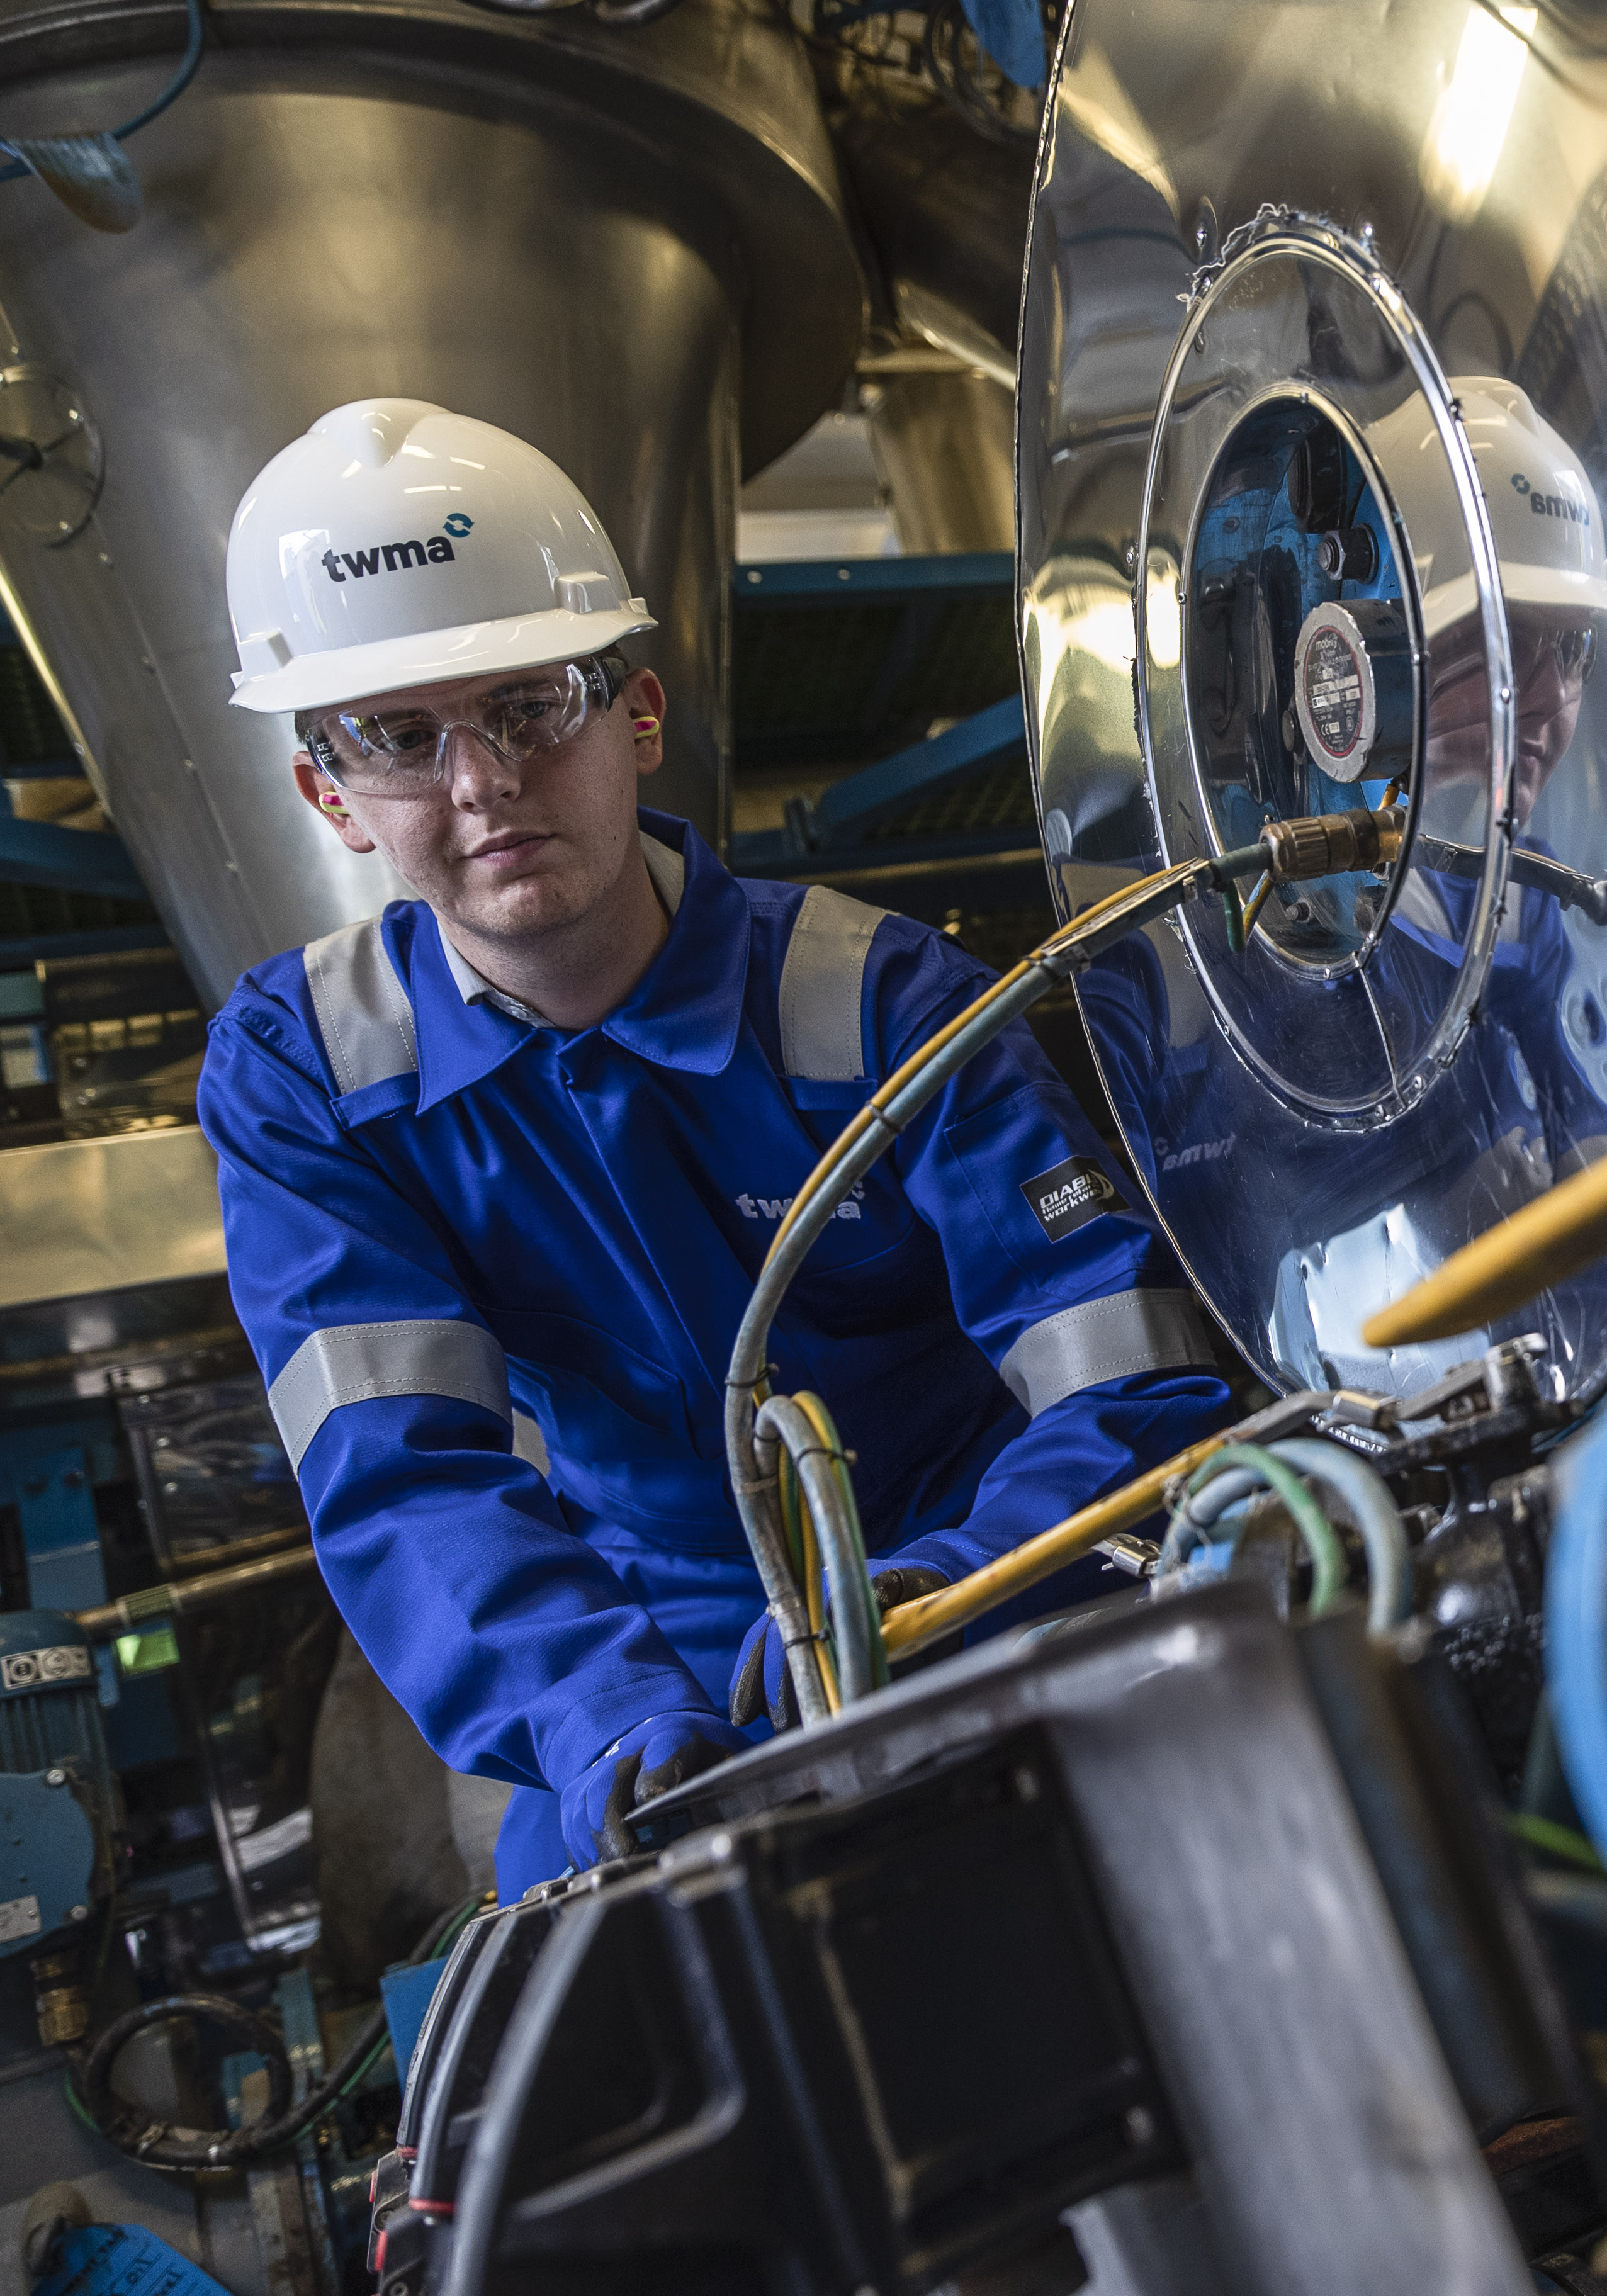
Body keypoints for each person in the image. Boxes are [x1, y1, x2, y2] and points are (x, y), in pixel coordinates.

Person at [197, 399, 1235, 1898]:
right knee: (603, 1991)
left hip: (981, 1555)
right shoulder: (308, 1079)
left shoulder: (879, 1000)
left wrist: (960, 1587)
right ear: (327, 794)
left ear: (637, 715)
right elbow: (404, 1482)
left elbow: (1125, 1364)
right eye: (402, 737)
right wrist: (600, 1715)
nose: (483, 784)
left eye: (532, 704)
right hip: (642, 1645)